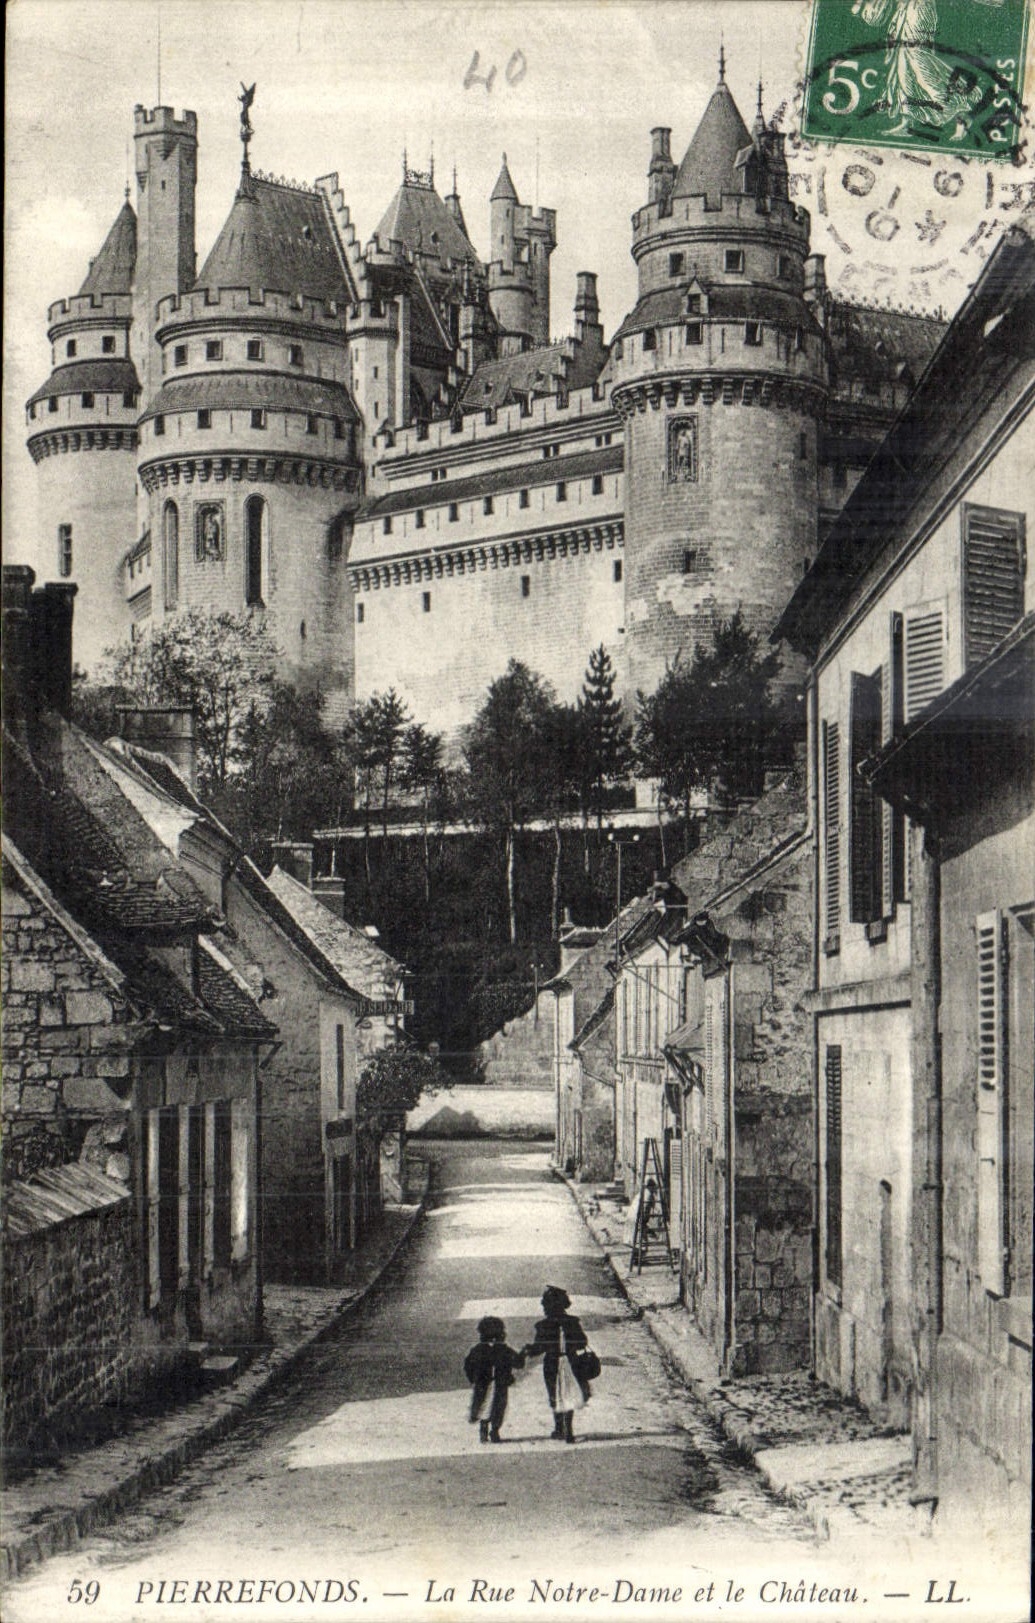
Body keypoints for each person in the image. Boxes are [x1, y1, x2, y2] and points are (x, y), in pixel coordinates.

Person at [524, 1286, 589, 1444]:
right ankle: (569, 1430)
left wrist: (528, 1350)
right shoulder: (573, 1322)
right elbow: (582, 1343)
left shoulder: (543, 1325)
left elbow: (539, 1348)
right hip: (571, 1362)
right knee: (569, 1393)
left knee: (555, 1394)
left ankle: (559, 1428)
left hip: (552, 1363)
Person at [463, 1316, 525, 1444]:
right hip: (499, 1384)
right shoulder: (504, 1349)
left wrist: (473, 1379)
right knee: (498, 1407)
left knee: (484, 1405)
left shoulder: (478, 1349)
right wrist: (523, 1353)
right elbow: (518, 1363)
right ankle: (494, 1430)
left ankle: (484, 1429)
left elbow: (468, 1365)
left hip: (483, 1384)